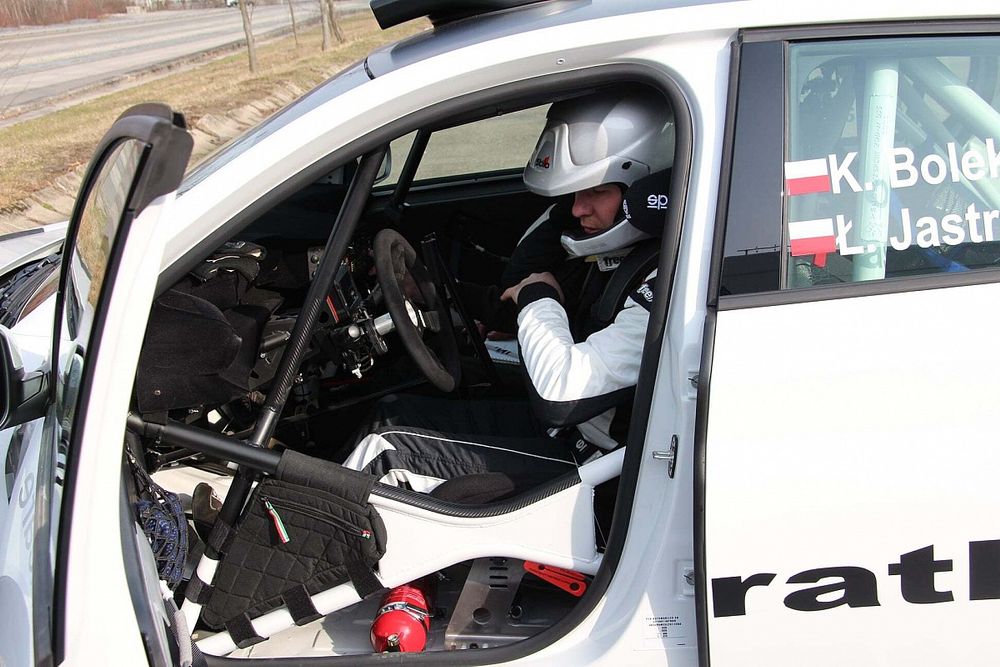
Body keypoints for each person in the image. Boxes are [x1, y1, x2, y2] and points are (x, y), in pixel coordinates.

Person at [342, 87, 675, 495]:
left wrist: (539, 300)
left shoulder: (665, 284)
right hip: (561, 433)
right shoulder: (619, 258)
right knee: (389, 415)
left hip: (594, 465)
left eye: (596, 192)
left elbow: (562, 392)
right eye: (574, 193)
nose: (576, 209)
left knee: (383, 455)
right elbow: (515, 299)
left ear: (644, 186)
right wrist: (431, 290)